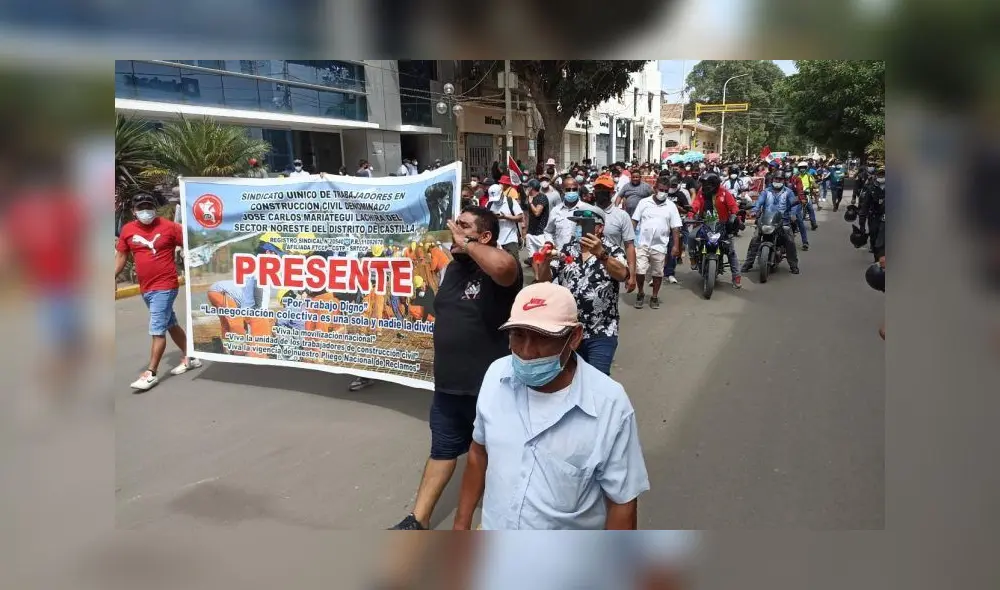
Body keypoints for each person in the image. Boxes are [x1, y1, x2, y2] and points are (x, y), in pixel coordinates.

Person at [453, 282, 649, 530]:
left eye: (543, 338)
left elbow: (622, 501)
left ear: (574, 337)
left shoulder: (609, 404)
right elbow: (478, 453)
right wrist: (461, 524)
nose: (526, 352)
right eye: (518, 335)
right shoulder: (496, 376)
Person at [391, 206, 522, 530]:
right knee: (442, 452)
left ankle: (491, 528)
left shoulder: (497, 268)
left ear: (485, 236)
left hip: (488, 390)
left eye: (463, 225)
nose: (454, 230)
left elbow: (506, 267)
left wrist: (468, 244)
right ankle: (417, 520)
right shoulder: (452, 270)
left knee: (494, 459)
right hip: (449, 388)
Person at [115, 193, 202, 390]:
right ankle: (191, 357)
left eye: (149, 206)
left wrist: (192, 257)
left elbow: (192, 242)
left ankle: (151, 373)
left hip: (166, 285)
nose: (145, 211)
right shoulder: (128, 230)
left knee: (157, 329)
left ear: (154, 208)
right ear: (133, 211)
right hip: (147, 287)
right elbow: (121, 256)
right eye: (141, 208)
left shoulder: (169, 227)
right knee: (170, 323)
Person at [533, 208, 629, 375]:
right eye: (576, 224)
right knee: (570, 378)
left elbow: (623, 275)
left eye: (584, 225)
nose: (578, 229)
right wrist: (545, 263)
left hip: (601, 330)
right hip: (569, 330)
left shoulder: (613, 250)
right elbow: (544, 279)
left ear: (599, 228)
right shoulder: (567, 250)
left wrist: (602, 255)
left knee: (597, 379)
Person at [631, 180, 683, 309]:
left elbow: (676, 228)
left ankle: (654, 296)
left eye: (666, 191)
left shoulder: (671, 206)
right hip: (642, 242)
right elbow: (634, 220)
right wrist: (630, 239)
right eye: (661, 190)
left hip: (660, 245)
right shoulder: (644, 203)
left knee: (658, 273)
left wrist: (676, 246)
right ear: (655, 189)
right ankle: (641, 292)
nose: (663, 193)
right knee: (640, 270)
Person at [687, 173, 742, 288]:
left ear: (714, 184)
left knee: (730, 250)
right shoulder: (702, 192)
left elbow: (733, 206)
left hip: (722, 225)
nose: (705, 186)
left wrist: (734, 215)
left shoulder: (724, 192)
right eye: (704, 184)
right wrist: (691, 213)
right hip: (705, 223)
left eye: (707, 184)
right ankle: (693, 258)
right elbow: (696, 203)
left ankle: (736, 277)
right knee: (691, 236)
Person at [740, 170, 800, 274]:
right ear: (772, 180)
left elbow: (794, 205)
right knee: (755, 240)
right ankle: (748, 263)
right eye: (776, 179)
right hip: (766, 221)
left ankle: (793, 265)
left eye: (780, 179)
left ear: (784, 181)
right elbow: (758, 203)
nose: (778, 181)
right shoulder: (765, 192)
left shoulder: (788, 192)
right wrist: (754, 211)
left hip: (783, 221)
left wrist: (793, 214)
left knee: (789, 241)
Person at [592, 174, 637, 293]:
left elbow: (629, 246)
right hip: (588, 268)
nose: (600, 192)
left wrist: (632, 275)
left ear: (612, 192)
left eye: (604, 190)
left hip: (612, 269)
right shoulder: (586, 212)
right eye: (598, 189)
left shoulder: (622, 216)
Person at [661, 175, 693, 284]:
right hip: (662, 224)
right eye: (671, 185)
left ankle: (670, 272)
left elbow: (686, 209)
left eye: (674, 185)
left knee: (673, 248)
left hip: (676, 224)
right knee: (660, 249)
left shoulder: (680, 194)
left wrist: (679, 208)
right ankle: (659, 272)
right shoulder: (664, 193)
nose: (672, 187)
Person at [486, 179, 524, 261]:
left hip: (510, 239)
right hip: (495, 241)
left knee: (514, 263)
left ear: (502, 194)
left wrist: (505, 217)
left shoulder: (511, 202)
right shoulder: (489, 204)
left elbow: (520, 218)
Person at [858, 167, 886, 259]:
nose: (882, 176)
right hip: (874, 216)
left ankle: (882, 259)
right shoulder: (871, 188)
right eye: (880, 174)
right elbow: (865, 205)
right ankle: (876, 258)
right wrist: (862, 221)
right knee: (874, 237)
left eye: (883, 175)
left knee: (883, 240)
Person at [524, 179, 551, 265]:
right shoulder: (528, 198)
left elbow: (537, 213)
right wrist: (525, 231)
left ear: (531, 188)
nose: (526, 189)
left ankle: (545, 277)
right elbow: (527, 214)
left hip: (541, 233)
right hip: (530, 232)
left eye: (527, 187)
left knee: (544, 258)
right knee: (533, 258)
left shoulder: (542, 197)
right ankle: (537, 277)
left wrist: (531, 203)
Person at [795, 161, 819, 229]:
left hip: (807, 194)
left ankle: (813, 223)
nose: (802, 169)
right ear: (799, 169)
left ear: (806, 168)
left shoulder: (809, 175)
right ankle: (795, 225)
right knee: (795, 209)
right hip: (798, 194)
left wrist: (816, 187)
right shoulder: (796, 176)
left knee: (810, 208)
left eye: (804, 168)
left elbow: (813, 183)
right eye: (801, 168)